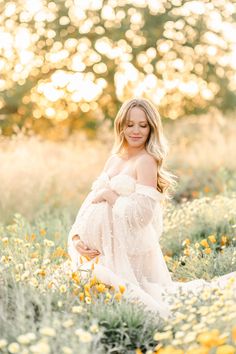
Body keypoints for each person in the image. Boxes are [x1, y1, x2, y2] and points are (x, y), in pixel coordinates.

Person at [68, 98, 236, 319]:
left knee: (147, 304)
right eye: (130, 124)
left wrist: (109, 195)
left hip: (127, 256)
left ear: (151, 127)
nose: (136, 130)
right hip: (101, 253)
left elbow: (142, 216)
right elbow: (89, 207)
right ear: (121, 125)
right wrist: (78, 238)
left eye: (143, 125)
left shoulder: (146, 161)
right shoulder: (113, 159)